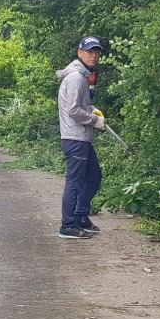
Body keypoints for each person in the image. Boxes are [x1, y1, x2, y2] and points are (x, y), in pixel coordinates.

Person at [56, 35, 107, 239]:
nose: (93, 56)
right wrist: (95, 121)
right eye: (89, 52)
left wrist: (95, 111)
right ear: (80, 53)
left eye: (96, 52)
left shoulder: (83, 76)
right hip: (74, 138)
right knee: (75, 181)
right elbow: (74, 111)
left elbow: (83, 106)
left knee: (94, 177)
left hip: (82, 138)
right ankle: (67, 225)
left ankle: (80, 216)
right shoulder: (76, 77)